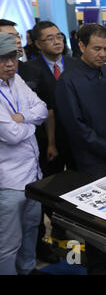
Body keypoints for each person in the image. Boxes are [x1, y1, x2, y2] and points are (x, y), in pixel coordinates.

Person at [0, 32, 48, 275]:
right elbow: (12, 135)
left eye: (13, 57)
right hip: (8, 183)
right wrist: (31, 123)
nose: (10, 64)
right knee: (8, 244)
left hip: (32, 175)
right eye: (2, 59)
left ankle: (27, 270)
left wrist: (22, 118)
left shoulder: (16, 80)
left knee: (31, 229)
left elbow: (42, 110)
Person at [54, 24, 106, 178]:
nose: (103, 54)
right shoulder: (68, 80)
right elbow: (75, 125)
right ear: (82, 46)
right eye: (97, 49)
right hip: (89, 160)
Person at [28, 21, 79, 176]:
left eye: (59, 37)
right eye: (50, 38)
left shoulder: (75, 64)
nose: (57, 42)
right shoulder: (29, 69)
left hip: (75, 136)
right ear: (38, 44)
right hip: (46, 139)